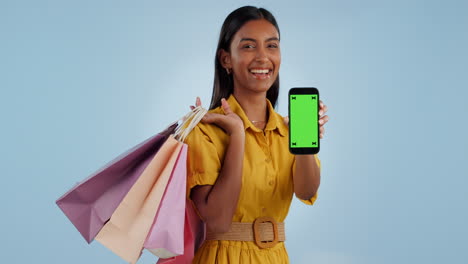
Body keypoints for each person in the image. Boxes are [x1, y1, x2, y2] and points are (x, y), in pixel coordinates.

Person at [185, 6, 329, 263]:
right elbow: (216, 220)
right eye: (249, 46)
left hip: (275, 257)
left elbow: (306, 191)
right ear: (226, 59)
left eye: (271, 46)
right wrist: (237, 134)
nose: (263, 57)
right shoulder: (205, 132)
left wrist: (306, 145)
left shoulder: (288, 131)